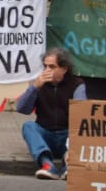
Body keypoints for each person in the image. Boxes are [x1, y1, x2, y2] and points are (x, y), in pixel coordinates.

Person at [16, 47, 86, 180]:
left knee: (78, 130)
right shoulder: (39, 84)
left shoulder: (77, 84)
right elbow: (22, 108)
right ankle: (47, 165)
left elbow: (82, 112)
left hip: (66, 135)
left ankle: (68, 166)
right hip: (46, 133)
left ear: (64, 69)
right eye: (45, 66)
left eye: (52, 67)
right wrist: (35, 87)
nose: (47, 70)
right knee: (28, 126)